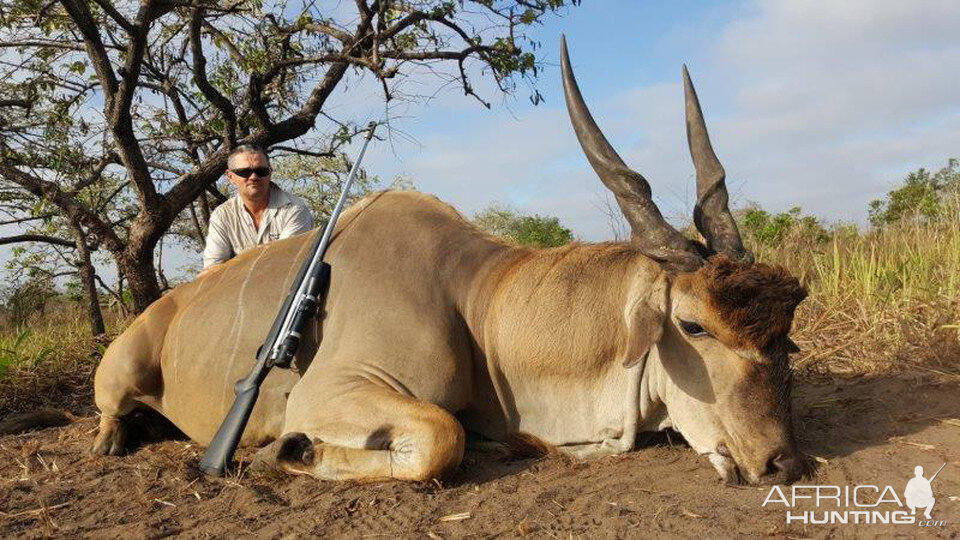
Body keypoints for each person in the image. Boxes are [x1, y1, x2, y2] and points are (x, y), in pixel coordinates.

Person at [202, 144, 313, 270]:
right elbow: (213, 269)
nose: (254, 177)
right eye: (244, 172)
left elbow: (285, 264)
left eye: (261, 171)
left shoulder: (294, 210)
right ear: (230, 176)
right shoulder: (222, 215)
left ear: (270, 173)